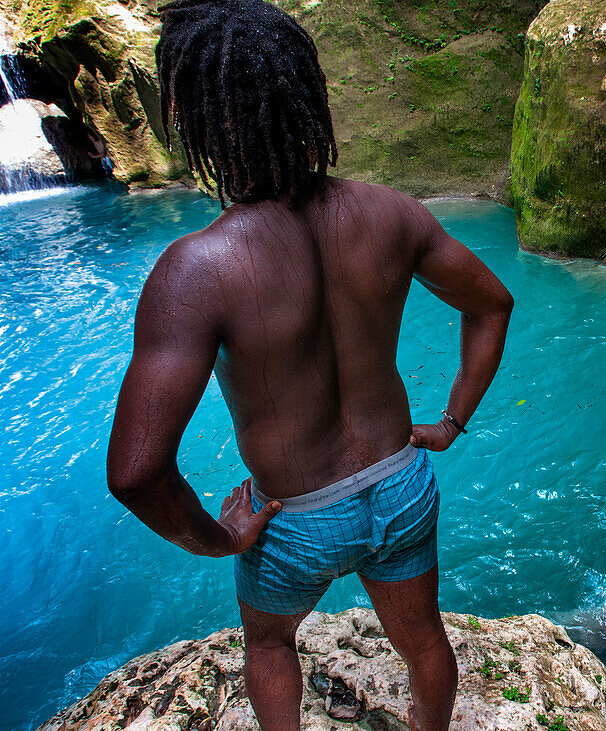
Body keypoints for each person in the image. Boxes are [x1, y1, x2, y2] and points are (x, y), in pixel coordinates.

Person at [105, 1, 512, 729]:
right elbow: (491, 305)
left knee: (268, 642)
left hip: (295, 519)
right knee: (424, 642)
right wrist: (450, 422)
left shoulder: (196, 270)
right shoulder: (393, 214)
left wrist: (221, 537)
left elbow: (136, 472)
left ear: (198, 120)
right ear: (304, 99)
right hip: (401, 483)